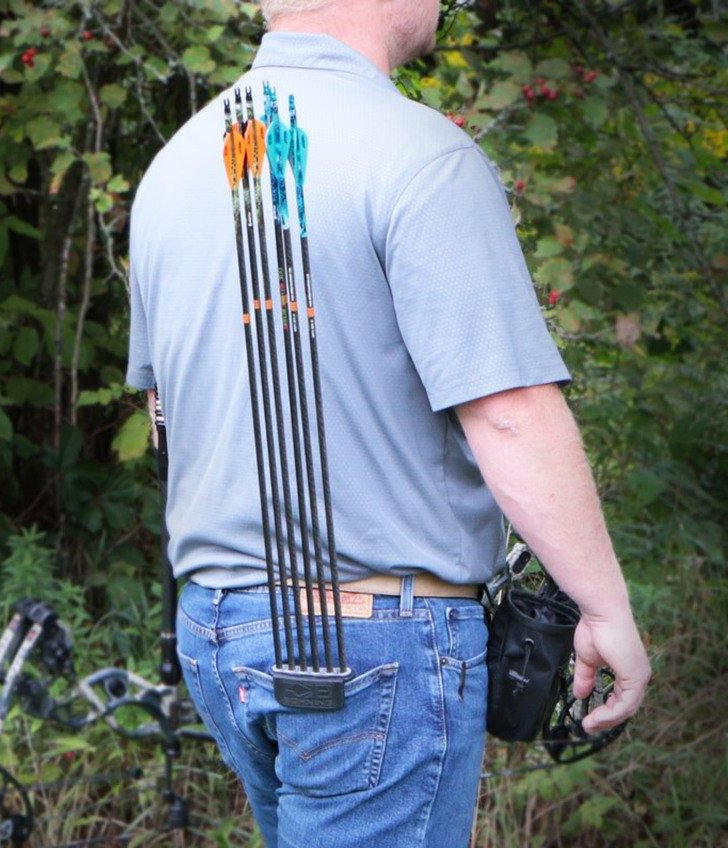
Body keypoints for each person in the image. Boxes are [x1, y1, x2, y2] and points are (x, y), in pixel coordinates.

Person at [124, 1, 652, 845]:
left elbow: (163, 411)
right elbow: (509, 412)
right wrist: (605, 607)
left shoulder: (177, 165)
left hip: (216, 630)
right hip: (372, 643)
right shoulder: (420, 153)